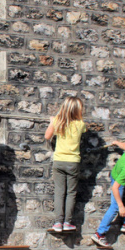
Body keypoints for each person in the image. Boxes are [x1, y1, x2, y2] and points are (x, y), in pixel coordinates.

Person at [44, 97, 86, 232]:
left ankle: (58, 223)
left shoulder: (58, 122)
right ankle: (67, 222)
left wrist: (52, 121)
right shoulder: (80, 124)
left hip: (59, 161)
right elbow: (81, 126)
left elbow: (47, 136)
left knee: (59, 192)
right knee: (71, 193)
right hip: (73, 162)